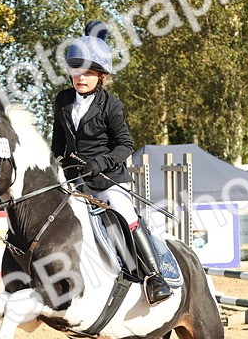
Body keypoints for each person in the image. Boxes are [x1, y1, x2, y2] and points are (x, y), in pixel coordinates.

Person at [50, 22, 171, 304]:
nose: (81, 78)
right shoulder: (63, 101)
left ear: (101, 76)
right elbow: (58, 141)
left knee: (124, 213)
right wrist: (55, 162)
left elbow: (125, 145)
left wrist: (99, 164)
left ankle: (154, 277)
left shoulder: (111, 105)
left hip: (107, 180)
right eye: (77, 71)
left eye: (89, 73)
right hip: (73, 180)